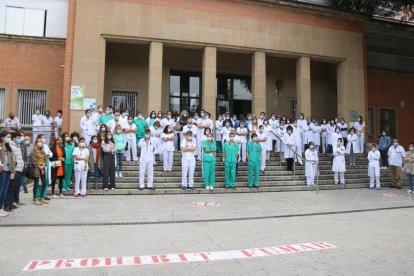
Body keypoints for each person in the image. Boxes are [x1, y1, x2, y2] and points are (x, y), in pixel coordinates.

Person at [4, 133, 23, 212]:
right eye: (18, 137)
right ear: (14, 138)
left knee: (14, 188)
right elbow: (12, 159)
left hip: (19, 169)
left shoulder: (17, 145)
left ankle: (11, 203)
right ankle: (7, 205)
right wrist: (13, 170)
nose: (19, 139)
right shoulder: (10, 146)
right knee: (10, 188)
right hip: (14, 170)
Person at [31, 138, 48, 205]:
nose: (40, 143)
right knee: (36, 183)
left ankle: (41, 197)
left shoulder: (42, 151)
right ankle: (35, 199)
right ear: (36, 143)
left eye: (41, 142)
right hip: (36, 168)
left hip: (42, 167)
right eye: (38, 142)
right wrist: (40, 167)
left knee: (44, 183)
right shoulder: (33, 151)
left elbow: (45, 159)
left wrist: (43, 165)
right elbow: (34, 160)